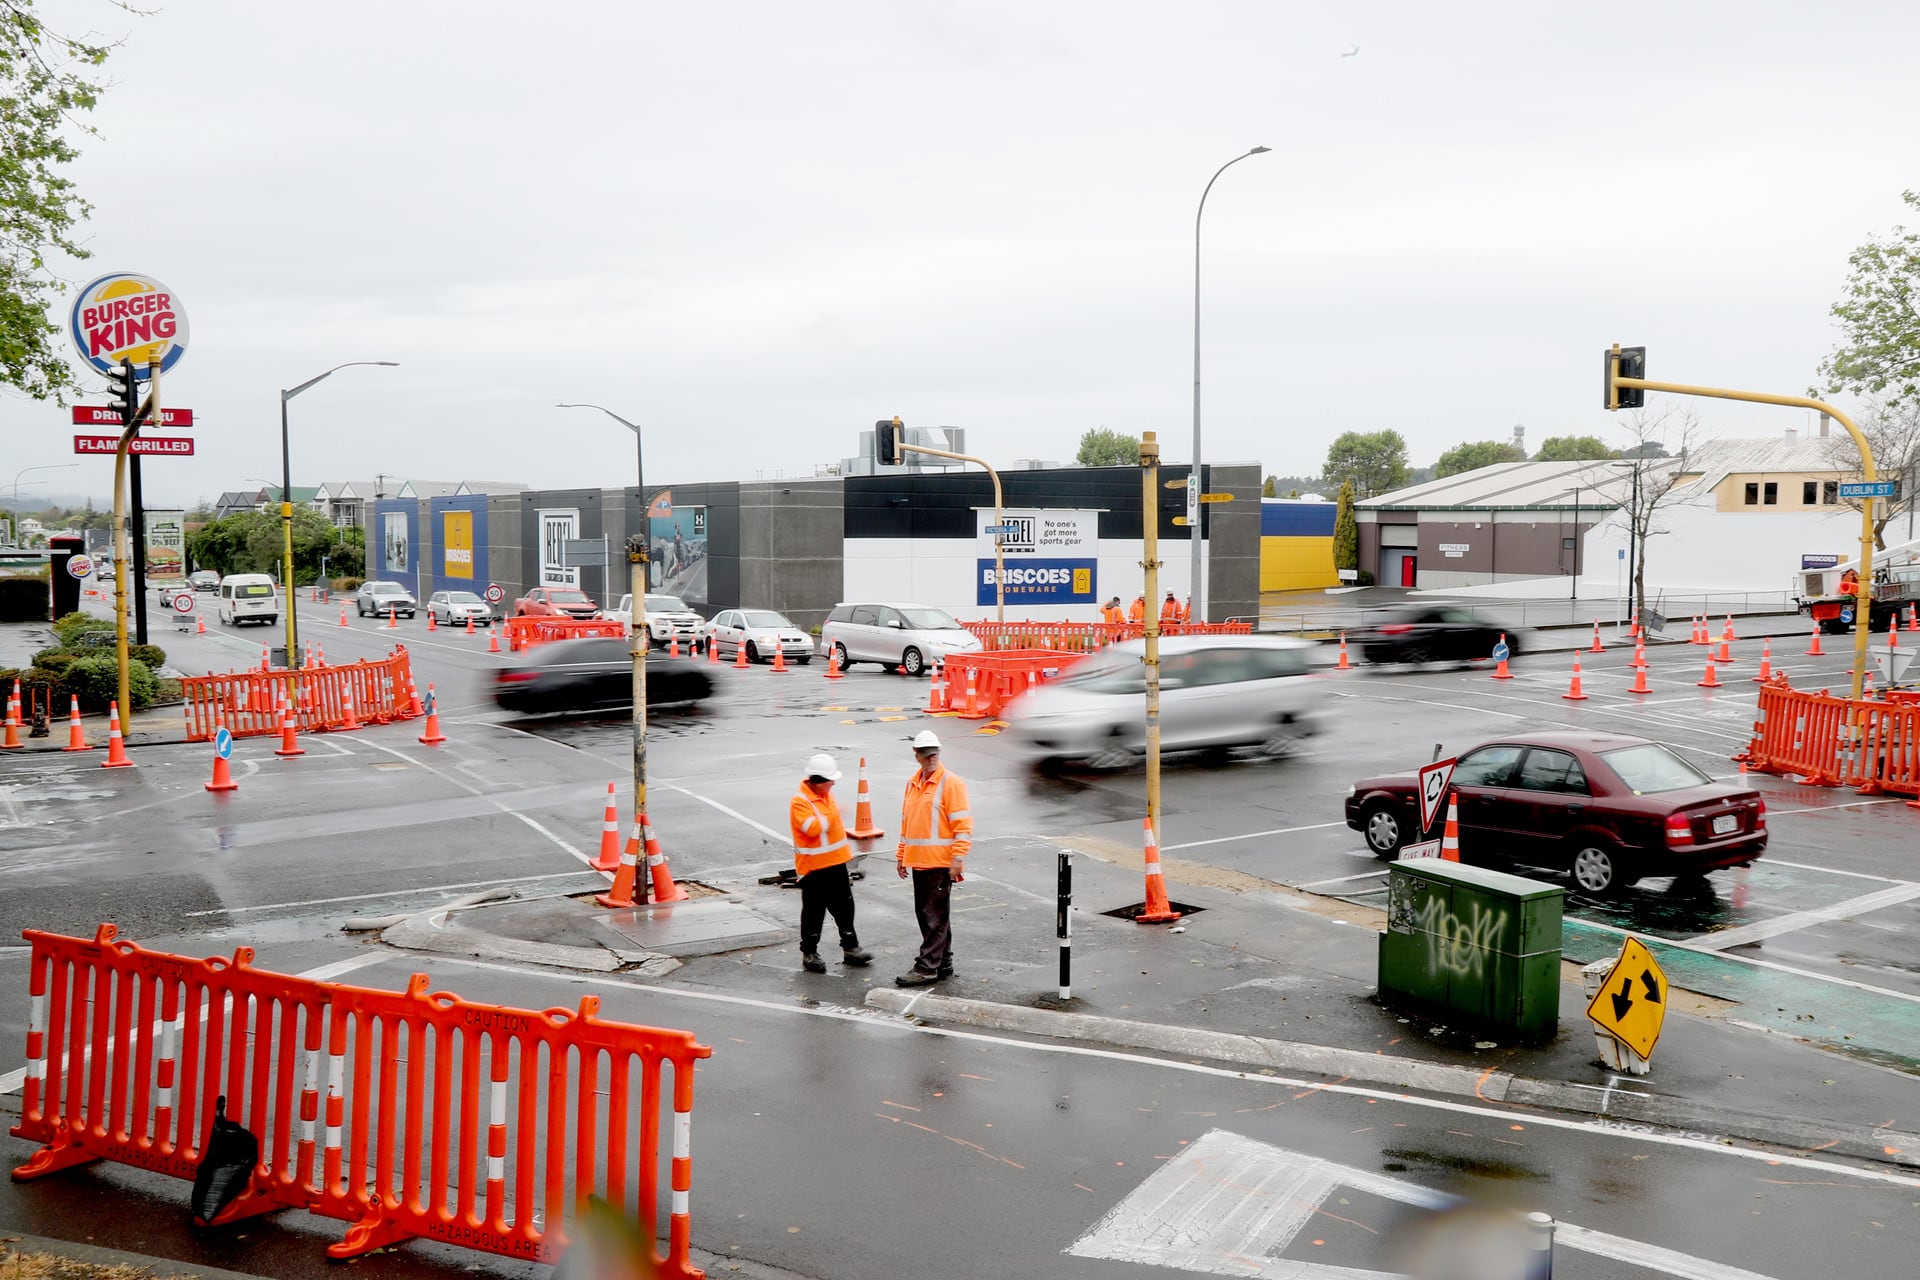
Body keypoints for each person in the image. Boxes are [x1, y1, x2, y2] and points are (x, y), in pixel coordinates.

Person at [895, 730, 972, 986]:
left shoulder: (951, 783)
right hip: (920, 862)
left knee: (933, 916)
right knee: (931, 915)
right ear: (916, 755)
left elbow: (962, 823)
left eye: (934, 755)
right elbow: (907, 823)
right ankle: (943, 962)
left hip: (939, 862)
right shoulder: (912, 783)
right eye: (926, 755)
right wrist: (901, 855)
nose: (931, 759)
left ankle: (927, 967)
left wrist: (958, 857)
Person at [789, 752, 872, 974]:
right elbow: (811, 828)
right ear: (817, 781)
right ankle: (810, 952)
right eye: (829, 780)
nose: (833, 783)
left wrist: (832, 813)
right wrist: (834, 814)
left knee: (845, 908)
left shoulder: (826, 796)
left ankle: (851, 948)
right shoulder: (800, 802)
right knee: (814, 913)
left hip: (836, 865)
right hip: (814, 869)